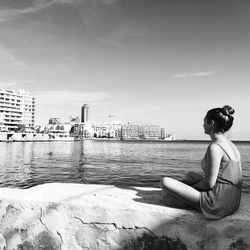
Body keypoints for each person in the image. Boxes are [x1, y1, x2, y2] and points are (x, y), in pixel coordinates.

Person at [160, 105, 242, 219]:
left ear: (211, 123)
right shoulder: (231, 145)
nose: (202, 124)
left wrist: (191, 188)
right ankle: (184, 194)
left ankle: (188, 198)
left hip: (219, 203)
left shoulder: (215, 147)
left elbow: (208, 184)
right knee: (190, 175)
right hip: (233, 201)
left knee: (165, 183)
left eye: (204, 121)